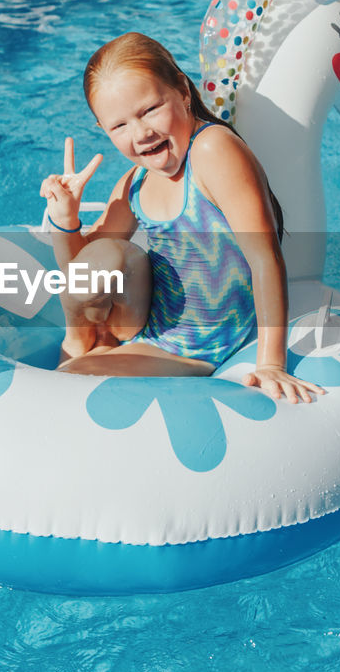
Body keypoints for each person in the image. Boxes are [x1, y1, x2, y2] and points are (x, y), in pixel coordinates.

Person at [39, 32, 324, 403]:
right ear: (103, 131)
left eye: (149, 110)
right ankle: (81, 340)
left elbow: (264, 257)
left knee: (67, 384)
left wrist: (271, 363)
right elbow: (80, 276)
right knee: (102, 256)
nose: (141, 133)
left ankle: (87, 347)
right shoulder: (134, 183)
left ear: (183, 92)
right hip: (143, 325)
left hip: (192, 347)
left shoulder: (213, 150)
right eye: (119, 126)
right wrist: (66, 218)